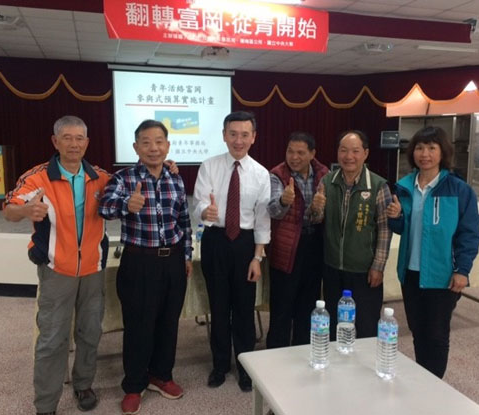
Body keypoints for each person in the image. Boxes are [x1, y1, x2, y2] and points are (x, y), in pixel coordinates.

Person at [2, 115, 110, 415]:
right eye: (67, 138)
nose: (74, 144)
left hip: (93, 270)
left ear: (87, 143)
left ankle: (83, 384)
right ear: (55, 141)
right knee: (52, 338)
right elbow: (9, 210)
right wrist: (26, 210)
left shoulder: (100, 177)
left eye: (79, 138)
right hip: (56, 270)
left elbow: (133, 181)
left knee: (90, 332)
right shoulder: (37, 178)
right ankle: (46, 404)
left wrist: (167, 166)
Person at [98, 120, 192, 415]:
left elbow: (184, 221)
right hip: (139, 261)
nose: (154, 148)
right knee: (139, 325)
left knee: (168, 322)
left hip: (173, 260)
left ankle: (161, 375)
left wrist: (187, 255)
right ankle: (134, 385)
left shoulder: (175, 178)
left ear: (168, 145)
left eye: (159, 141)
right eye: (146, 142)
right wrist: (127, 204)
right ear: (136, 147)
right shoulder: (124, 178)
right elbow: (103, 207)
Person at [386, 126, 479, 378]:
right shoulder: (404, 187)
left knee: (436, 334)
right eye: (419, 148)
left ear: (442, 152)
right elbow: (402, 229)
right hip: (410, 272)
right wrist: (395, 218)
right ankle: (423, 379)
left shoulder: (459, 190)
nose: (424, 154)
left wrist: (462, 270)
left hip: (442, 274)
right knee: (417, 330)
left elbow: (469, 234)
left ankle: (434, 385)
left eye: (431, 148)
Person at [193, 111, 270, 392]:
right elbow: (199, 203)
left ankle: (246, 367)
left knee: (244, 309)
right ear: (224, 135)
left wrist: (257, 257)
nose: (239, 140)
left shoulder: (261, 173)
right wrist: (206, 211)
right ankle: (220, 365)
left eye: (244, 135)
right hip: (215, 241)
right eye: (233, 134)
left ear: (253, 137)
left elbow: (262, 220)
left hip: (245, 245)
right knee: (219, 306)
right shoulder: (209, 166)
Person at [319, 130, 393, 339]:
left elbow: (385, 229)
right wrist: (315, 208)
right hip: (333, 268)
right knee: (333, 326)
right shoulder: (327, 182)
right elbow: (316, 219)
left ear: (365, 153)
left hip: (364, 270)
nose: (348, 156)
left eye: (355, 151)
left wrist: (378, 266)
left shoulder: (378, 186)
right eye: (343, 150)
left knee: (366, 325)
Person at [266, 131, 329, 348]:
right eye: (290, 151)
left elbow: (321, 217)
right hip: (285, 247)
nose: (294, 157)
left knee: (308, 303)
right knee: (282, 306)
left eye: (300, 153)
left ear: (312, 154)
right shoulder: (277, 175)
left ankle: (303, 349)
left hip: (313, 245)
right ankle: (276, 353)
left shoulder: (324, 175)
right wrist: (284, 201)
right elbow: (273, 211)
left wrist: (317, 210)